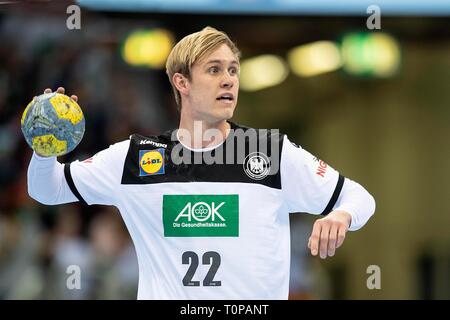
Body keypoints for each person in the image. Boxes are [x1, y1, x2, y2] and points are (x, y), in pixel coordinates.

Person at [27, 26, 376, 299]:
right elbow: (48, 188)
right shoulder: (135, 158)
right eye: (213, 69)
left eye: (233, 70)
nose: (228, 79)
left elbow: (360, 198)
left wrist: (340, 214)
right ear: (182, 82)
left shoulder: (270, 152)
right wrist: (45, 143)